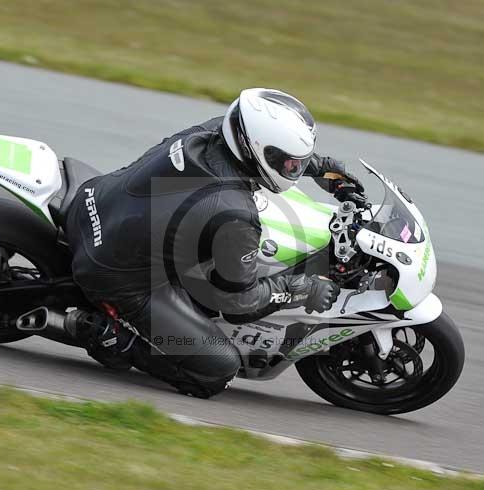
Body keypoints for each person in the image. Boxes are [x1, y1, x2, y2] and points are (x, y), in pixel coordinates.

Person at [65, 88, 363, 398]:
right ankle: (114, 340)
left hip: (99, 201)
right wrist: (302, 289)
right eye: (291, 163)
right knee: (217, 369)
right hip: (120, 275)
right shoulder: (236, 212)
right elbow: (238, 303)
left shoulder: (218, 130)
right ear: (258, 150)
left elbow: (265, 152)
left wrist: (323, 168)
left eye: (297, 163)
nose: (295, 169)